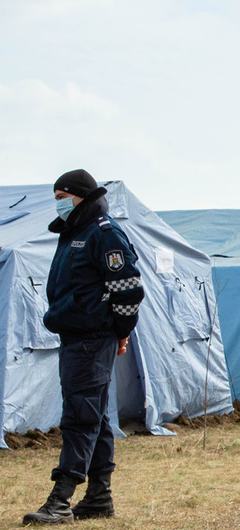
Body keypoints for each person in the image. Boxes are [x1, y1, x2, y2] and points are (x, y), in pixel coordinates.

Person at [23, 170, 143, 525]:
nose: (57, 203)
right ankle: (98, 496)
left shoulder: (104, 234)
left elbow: (129, 290)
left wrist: (119, 331)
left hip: (92, 339)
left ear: (78, 195)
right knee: (98, 417)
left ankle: (61, 499)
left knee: (80, 417)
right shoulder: (75, 232)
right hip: (77, 338)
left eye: (61, 196)